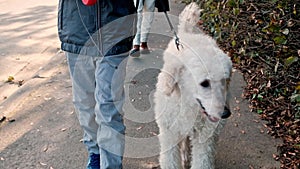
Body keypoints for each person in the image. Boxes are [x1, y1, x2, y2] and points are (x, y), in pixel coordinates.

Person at [57, 0, 136, 168]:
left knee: (108, 108)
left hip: (115, 32)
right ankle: (95, 153)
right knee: (84, 105)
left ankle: (111, 164)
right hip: (77, 32)